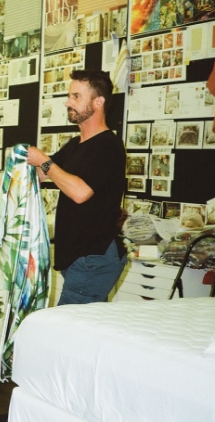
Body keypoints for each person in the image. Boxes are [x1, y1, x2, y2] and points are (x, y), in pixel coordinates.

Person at [26, 69, 127, 305]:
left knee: (66, 329)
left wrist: (43, 160)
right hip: (79, 257)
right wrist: (16, 171)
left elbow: (80, 192)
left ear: (98, 101)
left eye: (76, 97)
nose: (68, 103)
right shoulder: (75, 145)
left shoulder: (107, 146)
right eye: (69, 96)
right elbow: (40, 174)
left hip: (93, 258)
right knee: (82, 330)